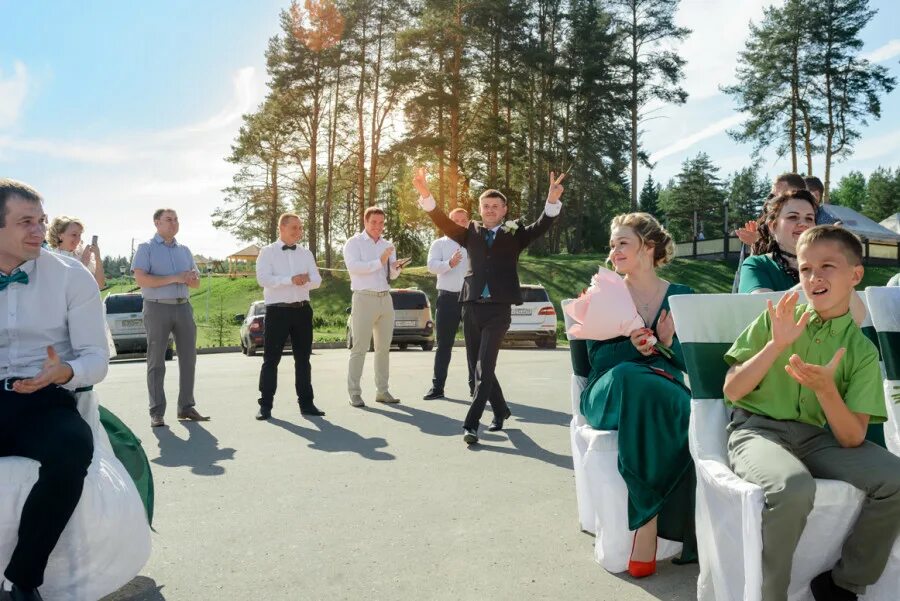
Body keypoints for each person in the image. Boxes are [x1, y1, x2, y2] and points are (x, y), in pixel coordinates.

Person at [722, 226, 900, 601]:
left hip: (818, 439)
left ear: (855, 275)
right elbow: (732, 390)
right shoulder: (778, 319)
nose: (814, 278)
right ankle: (772, 596)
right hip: (757, 431)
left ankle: (844, 584)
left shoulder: (862, 352)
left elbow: (852, 438)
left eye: (827, 266)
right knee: (792, 488)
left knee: (896, 479)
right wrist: (776, 345)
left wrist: (826, 389)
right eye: (805, 269)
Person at [0, 179, 109, 601]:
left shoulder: (71, 277)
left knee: (71, 448)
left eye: (41, 221)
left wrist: (63, 372)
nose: (38, 231)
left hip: (44, 397)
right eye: (25, 221)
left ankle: (24, 579)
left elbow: (96, 358)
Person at [579, 213, 697, 577]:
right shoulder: (604, 292)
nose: (613, 251)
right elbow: (595, 359)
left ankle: (652, 519)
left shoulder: (682, 297)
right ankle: (647, 519)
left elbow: (690, 363)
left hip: (663, 390)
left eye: (622, 243)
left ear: (648, 247)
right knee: (632, 376)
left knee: (659, 393)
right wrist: (634, 348)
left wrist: (662, 344)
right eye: (612, 244)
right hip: (610, 392)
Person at [413, 167, 563, 444]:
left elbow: (542, 224)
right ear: (480, 210)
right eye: (486, 206)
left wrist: (551, 200)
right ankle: (502, 410)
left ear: (504, 210)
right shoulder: (469, 233)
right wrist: (425, 193)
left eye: (496, 206)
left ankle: (471, 424)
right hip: (470, 306)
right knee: (477, 367)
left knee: (484, 367)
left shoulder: (515, 233)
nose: (490, 210)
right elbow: (442, 221)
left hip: (499, 308)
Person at [131, 209, 208, 427]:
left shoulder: (184, 250)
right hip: (157, 308)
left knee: (189, 359)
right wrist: (176, 277)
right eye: (168, 219)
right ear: (156, 223)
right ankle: (156, 412)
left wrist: (190, 279)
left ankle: (186, 407)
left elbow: (196, 282)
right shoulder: (146, 248)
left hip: (183, 307)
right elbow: (142, 279)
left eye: (176, 219)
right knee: (156, 361)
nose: (173, 223)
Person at [254, 213, 324, 420]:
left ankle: (306, 403)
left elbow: (317, 280)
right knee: (271, 359)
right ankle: (265, 405)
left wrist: (305, 281)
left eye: (300, 227)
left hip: (302, 310)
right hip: (278, 311)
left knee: (303, 360)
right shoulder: (267, 252)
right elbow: (263, 279)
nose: (299, 231)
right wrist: (290, 280)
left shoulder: (306, 253)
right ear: (281, 228)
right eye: (294, 227)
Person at [343, 207, 405, 407]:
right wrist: (381, 261)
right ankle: (354, 393)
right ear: (365, 221)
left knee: (384, 349)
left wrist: (396, 268)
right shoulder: (354, 243)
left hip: (385, 298)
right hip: (364, 298)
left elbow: (391, 275)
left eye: (381, 223)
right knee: (359, 347)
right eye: (374, 222)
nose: (378, 226)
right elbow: (355, 268)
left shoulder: (388, 245)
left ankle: (383, 391)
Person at [423, 207, 474, 400]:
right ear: (448, 223)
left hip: (471, 300)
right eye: (456, 220)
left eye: (463, 220)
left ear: (468, 222)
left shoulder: (473, 242)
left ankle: (474, 388)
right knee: (444, 344)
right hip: (447, 299)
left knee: (473, 345)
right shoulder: (439, 244)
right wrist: (449, 264)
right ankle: (438, 387)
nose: (460, 223)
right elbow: (431, 266)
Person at [738, 190, 817, 294]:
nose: (803, 223)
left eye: (809, 218)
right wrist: (818, 279)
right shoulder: (757, 265)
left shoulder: (832, 264)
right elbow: (763, 305)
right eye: (793, 217)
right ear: (773, 226)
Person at [45, 216, 105, 288]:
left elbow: (100, 285)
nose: (78, 239)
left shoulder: (83, 254)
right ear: (60, 235)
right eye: (74, 235)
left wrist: (97, 257)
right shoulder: (52, 258)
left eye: (79, 235)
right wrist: (83, 264)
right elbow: (63, 288)